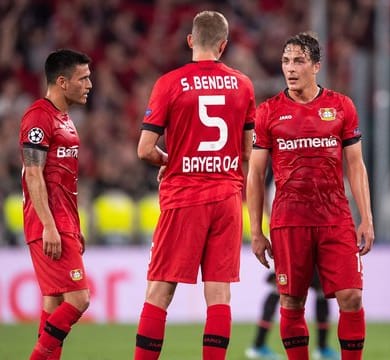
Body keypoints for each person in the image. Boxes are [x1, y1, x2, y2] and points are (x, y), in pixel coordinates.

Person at [134, 10, 256, 360]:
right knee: (218, 296)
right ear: (223, 45)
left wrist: (169, 160)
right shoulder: (244, 85)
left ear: (190, 41)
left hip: (184, 197)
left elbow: (145, 149)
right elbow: (248, 150)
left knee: (159, 291)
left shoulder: (169, 83)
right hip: (228, 199)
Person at [247, 32, 375, 360]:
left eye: (299, 61)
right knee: (291, 301)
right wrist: (257, 231)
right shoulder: (268, 112)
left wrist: (366, 219)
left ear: (316, 66)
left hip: (335, 218)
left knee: (351, 298)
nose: (290, 68)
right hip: (289, 221)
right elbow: (256, 175)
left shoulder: (341, 106)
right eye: (286, 61)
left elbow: (356, 167)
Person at [19, 49, 92, 359]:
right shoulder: (39, 116)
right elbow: (33, 174)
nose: (89, 84)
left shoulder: (65, 120)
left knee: (54, 303)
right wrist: (50, 225)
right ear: (62, 82)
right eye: (83, 78)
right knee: (79, 300)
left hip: (64, 223)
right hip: (49, 224)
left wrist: (74, 228)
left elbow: (61, 181)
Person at [245, 272, 340, 360]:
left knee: (321, 290)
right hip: (291, 258)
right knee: (280, 288)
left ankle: (322, 347)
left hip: (315, 258)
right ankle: (258, 345)